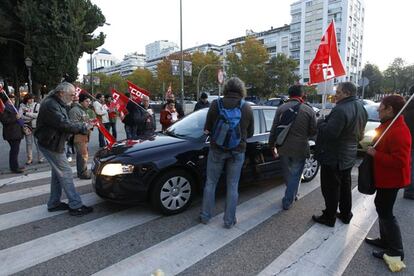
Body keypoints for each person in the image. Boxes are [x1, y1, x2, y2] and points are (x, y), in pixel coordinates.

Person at [199, 77, 254, 229]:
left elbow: (208, 128)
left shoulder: (216, 104)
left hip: (217, 149)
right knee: (233, 185)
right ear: (241, 90)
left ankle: (205, 216)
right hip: (238, 151)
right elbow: (250, 133)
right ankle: (229, 220)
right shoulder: (247, 107)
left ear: (226, 89)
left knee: (211, 183)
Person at [312, 82, 367, 227]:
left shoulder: (340, 109)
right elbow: (360, 132)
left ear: (347, 93)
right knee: (345, 186)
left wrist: (321, 123)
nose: (336, 95)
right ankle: (345, 214)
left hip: (334, 156)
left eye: (339, 92)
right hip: (349, 155)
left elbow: (331, 133)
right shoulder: (361, 107)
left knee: (331, 188)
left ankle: (329, 217)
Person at [34, 82, 93, 216]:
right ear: (61, 93)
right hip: (50, 144)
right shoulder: (50, 104)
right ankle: (75, 205)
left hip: (52, 142)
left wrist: (80, 125)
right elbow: (63, 123)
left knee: (58, 174)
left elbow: (65, 122)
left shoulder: (57, 103)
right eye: (71, 95)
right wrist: (83, 128)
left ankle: (54, 203)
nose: (74, 97)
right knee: (65, 172)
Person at [365, 95, 411, 260]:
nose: (378, 109)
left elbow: (400, 161)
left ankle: (396, 250)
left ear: (390, 109)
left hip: (392, 179)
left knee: (386, 212)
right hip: (384, 177)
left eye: (381, 107)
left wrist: (376, 154)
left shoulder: (399, 130)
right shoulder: (389, 125)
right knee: (381, 207)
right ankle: (385, 240)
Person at [268, 85, 317, 210]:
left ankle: (291, 195)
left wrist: (271, 145)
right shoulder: (308, 110)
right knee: (295, 175)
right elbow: (313, 132)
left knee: (288, 174)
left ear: (289, 95)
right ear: (302, 95)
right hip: (300, 148)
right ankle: (288, 200)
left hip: (283, 147)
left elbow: (274, 129)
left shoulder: (281, 108)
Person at [69, 93, 93, 179]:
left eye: (89, 101)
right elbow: (73, 125)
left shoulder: (83, 109)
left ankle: (83, 172)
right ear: (81, 101)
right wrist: (87, 125)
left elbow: (85, 121)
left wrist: (91, 123)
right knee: (82, 155)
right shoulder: (75, 110)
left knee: (83, 155)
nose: (88, 103)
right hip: (78, 136)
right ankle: (83, 173)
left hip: (84, 135)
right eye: (87, 101)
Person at [0, 94, 25, 173]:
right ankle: (14, 168)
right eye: (10, 100)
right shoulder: (4, 109)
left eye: (13, 100)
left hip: (16, 132)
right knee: (14, 150)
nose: (12, 101)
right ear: (7, 101)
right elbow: (5, 121)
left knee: (15, 150)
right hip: (11, 133)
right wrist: (15, 117)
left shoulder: (13, 108)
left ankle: (15, 166)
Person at [19, 93, 43, 164]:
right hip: (27, 127)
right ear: (26, 99)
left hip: (36, 126)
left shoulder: (37, 105)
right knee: (29, 143)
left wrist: (26, 114)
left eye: (32, 98)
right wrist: (31, 116)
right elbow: (20, 116)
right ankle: (29, 158)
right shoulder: (22, 105)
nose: (31, 100)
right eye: (29, 99)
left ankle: (40, 158)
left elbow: (38, 115)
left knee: (37, 143)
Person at [403, 88, 414, 199]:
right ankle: (410, 190)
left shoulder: (405, 107)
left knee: (408, 164)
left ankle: (407, 186)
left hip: (406, 140)